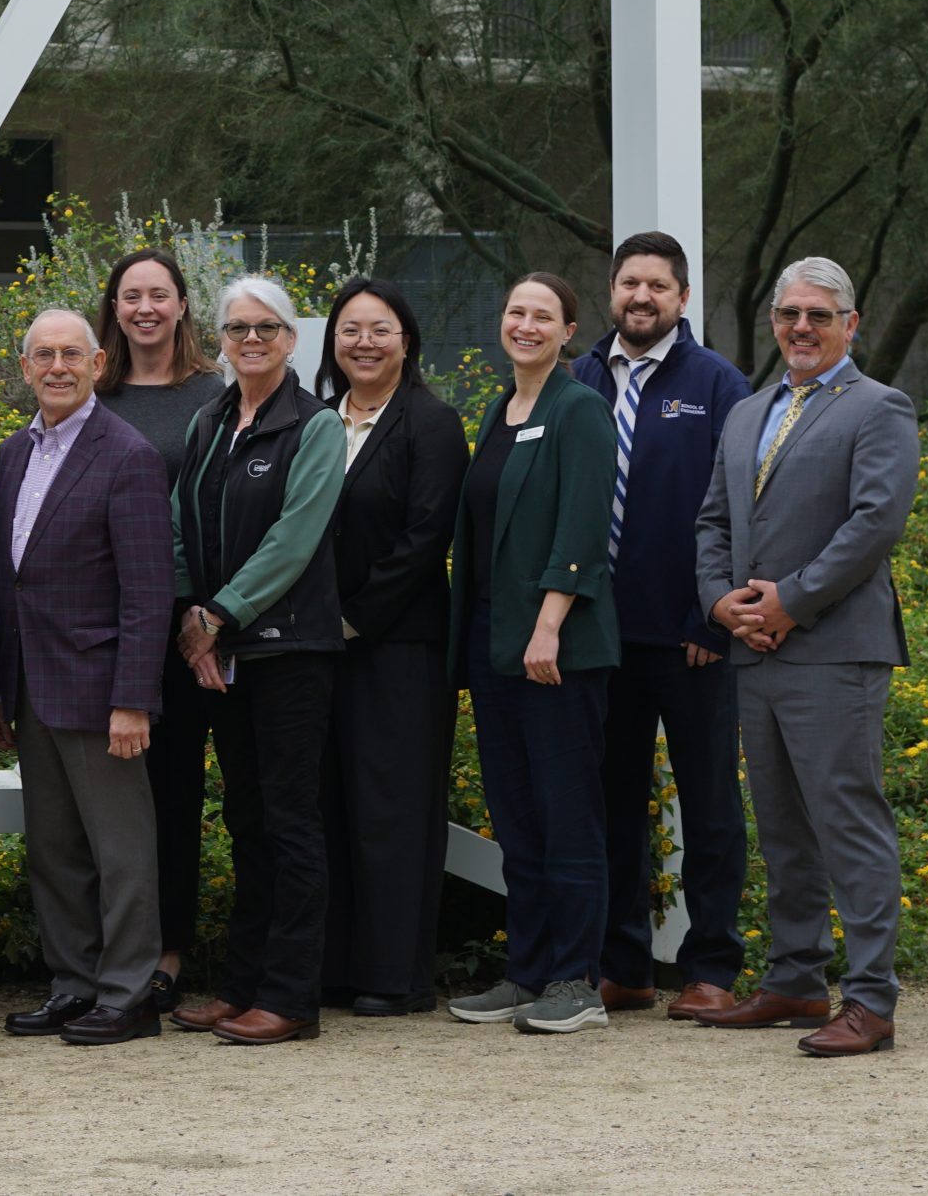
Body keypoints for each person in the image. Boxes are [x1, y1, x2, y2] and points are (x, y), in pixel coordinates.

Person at [688, 257, 918, 1058]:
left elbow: (875, 523)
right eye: (790, 313)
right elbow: (712, 520)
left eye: (819, 314)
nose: (802, 327)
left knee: (847, 822)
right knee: (782, 825)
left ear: (850, 324)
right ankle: (793, 978)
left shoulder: (879, 408)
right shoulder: (747, 413)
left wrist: (791, 599)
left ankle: (872, 998)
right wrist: (721, 602)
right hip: (754, 649)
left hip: (834, 651)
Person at [568, 233, 755, 1021]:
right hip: (599, 640)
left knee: (709, 806)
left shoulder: (719, 384)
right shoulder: (580, 377)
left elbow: (743, 509)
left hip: (690, 639)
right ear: (611, 290)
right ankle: (626, 965)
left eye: (657, 285)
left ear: (682, 297)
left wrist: (713, 618)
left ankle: (711, 965)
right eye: (629, 282)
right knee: (611, 806)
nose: (641, 297)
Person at [162, 277, 346, 1048]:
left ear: (291, 338)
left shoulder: (317, 425)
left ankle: (290, 996)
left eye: (266, 327)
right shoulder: (208, 419)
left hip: (290, 651)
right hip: (224, 651)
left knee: (291, 820)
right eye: (237, 328)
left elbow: (293, 541)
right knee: (246, 819)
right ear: (222, 339)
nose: (251, 340)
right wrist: (191, 615)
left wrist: (218, 614)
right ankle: (241, 987)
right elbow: (179, 522)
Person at [0, 309, 173, 1047]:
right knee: (54, 850)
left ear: (98, 364)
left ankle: (129, 994)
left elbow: (148, 592)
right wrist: (0, 689)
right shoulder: (13, 453)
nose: (57, 367)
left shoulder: (128, 454)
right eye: (44, 355)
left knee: (120, 851)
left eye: (72, 354)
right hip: (33, 685)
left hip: (101, 693)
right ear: (25, 367)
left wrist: (133, 700)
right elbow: (10, 579)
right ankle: (74, 984)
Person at [444, 273, 620, 1036]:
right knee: (516, 815)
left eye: (542, 315)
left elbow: (583, 525)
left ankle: (576, 980)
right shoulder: (500, 409)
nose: (525, 324)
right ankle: (527, 970)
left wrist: (548, 624)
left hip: (557, 645)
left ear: (568, 330)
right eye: (515, 310)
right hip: (495, 639)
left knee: (566, 813)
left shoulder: (579, 408)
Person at [315, 275, 469, 1018]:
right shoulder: (318, 421)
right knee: (330, 804)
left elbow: (424, 538)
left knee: (393, 809)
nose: (365, 342)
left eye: (380, 329)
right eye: (350, 329)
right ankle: (335, 967)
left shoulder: (431, 422)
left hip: (399, 646)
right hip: (319, 646)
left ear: (407, 340)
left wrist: (353, 618)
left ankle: (396, 975)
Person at [92, 247, 226, 1014]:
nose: (145, 307)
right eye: (131, 295)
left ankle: (169, 948)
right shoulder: (94, 393)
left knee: (175, 792)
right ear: (114, 307)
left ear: (181, 305)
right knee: (109, 797)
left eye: (159, 294)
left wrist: (204, 614)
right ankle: (111, 946)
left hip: (188, 631)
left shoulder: (213, 394)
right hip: (102, 628)